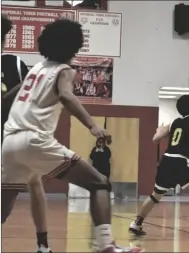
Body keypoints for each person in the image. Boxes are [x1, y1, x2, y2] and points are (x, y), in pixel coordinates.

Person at [1, 19, 142, 253]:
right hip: (34, 140)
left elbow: (7, 99)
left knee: (4, 204)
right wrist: (93, 126)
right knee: (99, 183)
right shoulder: (63, 70)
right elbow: (66, 96)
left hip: (9, 143)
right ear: (74, 47)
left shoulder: (35, 69)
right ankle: (106, 244)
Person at [128, 94, 189, 240]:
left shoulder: (173, 123)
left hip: (166, 161)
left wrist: (158, 130)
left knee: (155, 195)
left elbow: (155, 139)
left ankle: (136, 223)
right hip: (181, 162)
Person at [1, 14, 52, 253]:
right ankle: (42, 244)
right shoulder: (15, 63)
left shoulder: (14, 63)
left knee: (32, 181)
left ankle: (43, 244)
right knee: (33, 182)